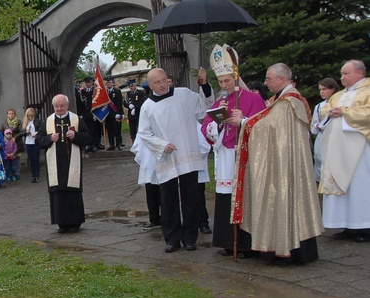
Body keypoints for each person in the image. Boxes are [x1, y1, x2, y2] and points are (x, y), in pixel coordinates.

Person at [232, 63, 322, 264]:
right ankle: (296, 249)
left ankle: (286, 249)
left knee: (283, 198)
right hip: (288, 162)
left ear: (281, 79)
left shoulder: (288, 102)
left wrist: (243, 122)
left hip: (285, 166)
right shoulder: (284, 100)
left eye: (268, 79)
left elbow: (268, 126)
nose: (266, 82)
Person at [136, 68, 213, 253]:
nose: (162, 85)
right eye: (157, 83)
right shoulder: (147, 106)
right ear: (150, 85)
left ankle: (190, 238)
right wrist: (162, 145)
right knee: (168, 199)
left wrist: (205, 86)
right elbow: (144, 133)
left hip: (188, 153)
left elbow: (204, 108)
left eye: (164, 80)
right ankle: (172, 238)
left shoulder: (184, 95)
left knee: (191, 198)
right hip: (167, 156)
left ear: (168, 80)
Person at [200, 45, 267, 257]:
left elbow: (263, 127)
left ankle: (247, 244)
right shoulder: (222, 101)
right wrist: (219, 124)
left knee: (244, 197)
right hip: (225, 156)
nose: (224, 85)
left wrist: (242, 122)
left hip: (244, 155)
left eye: (227, 81)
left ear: (236, 78)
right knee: (225, 198)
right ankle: (228, 242)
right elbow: (206, 128)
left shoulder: (252, 99)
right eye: (220, 82)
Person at [320, 60, 370, 243]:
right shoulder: (339, 95)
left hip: (360, 148)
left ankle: (364, 225)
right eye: (341, 74)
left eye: (346, 74)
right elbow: (325, 109)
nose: (342, 77)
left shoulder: (368, 91)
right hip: (338, 148)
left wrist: (345, 112)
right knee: (342, 184)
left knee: (360, 185)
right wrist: (331, 112)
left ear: (359, 73)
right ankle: (346, 224)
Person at [36, 94, 92, 233]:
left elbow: (88, 138)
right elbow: (39, 140)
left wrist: (76, 136)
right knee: (58, 193)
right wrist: (49, 138)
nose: (59, 108)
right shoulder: (48, 121)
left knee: (72, 192)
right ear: (53, 106)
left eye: (62, 106)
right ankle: (61, 223)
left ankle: (75, 222)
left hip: (71, 162)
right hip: (55, 163)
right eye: (56, 106)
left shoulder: (76, 120)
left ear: (67, 105)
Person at [310, 77, 340, 182]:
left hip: (335, 136)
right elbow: (314, 125)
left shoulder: (339, 104)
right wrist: (317, 127)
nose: (321, 92)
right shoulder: (319, 106)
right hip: (321, 137)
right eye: (320, 89)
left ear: (332, 89)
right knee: (319, 159)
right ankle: (321, 183)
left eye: (324, 89)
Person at [0, 108, 24, 180]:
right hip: (7, 145)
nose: (11, 115)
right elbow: (1, 132)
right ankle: (10, 175)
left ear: (15, 114)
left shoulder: (19, 122)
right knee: (8, 162)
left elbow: (22, 132)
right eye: (10, 113)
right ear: (7, 115)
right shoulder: (4, 123)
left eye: (12, 113)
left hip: (17, 143)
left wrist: (15, 138)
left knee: (17, 160)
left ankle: (17, 174)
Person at [22, 107, 41, 183]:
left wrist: (36, 133)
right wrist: (26, 132)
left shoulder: (37, 121)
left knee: (36, 159)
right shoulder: (25, 122)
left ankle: (37, 176)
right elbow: (21, 132)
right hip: (28, 142)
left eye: (32, 116)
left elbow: (42, 130)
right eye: (29, 116)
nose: (30, 117)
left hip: (35, 142)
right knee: (31, 160)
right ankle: (33, 176)